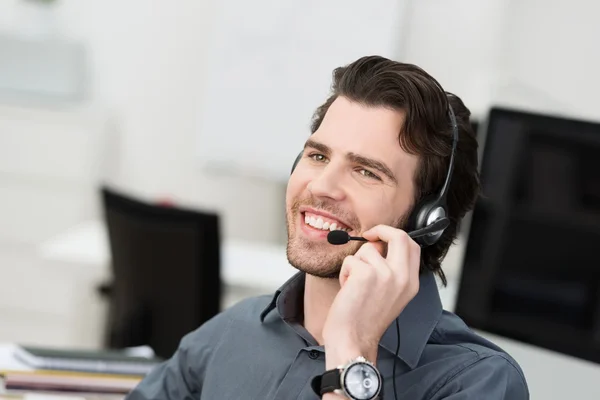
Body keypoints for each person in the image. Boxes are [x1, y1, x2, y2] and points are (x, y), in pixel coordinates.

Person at [126, 55, 529, 399]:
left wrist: (351, 353)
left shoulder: (475, 381)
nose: (321, 186)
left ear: (429, 220)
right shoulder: (234, 331)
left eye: (366, 171)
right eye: (318, 156)